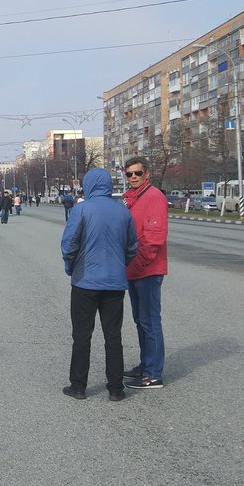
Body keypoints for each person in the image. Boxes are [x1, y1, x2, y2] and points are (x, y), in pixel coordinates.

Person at [60, 168, 138, 402]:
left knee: (82, 335)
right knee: (113, 335)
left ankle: (78, 386)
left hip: (85, 281)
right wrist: (118, 265)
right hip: (114, 283)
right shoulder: (123, 211)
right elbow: (132, 246)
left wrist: (70, 267)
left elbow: (70, 244)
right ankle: (116, 388)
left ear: (88, 185)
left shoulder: (82, 209)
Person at [122, 156, 169, 390]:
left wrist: (138, 264)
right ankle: (145, 365)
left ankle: (153, 374)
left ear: (147, 174)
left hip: (148, 271)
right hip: (134, 271)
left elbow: (154, 239)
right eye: (129, 174)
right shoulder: (133, 198)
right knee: (140, 321)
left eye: (137, 173)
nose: (133, 177)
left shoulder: (153, 197)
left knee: (150, 322)